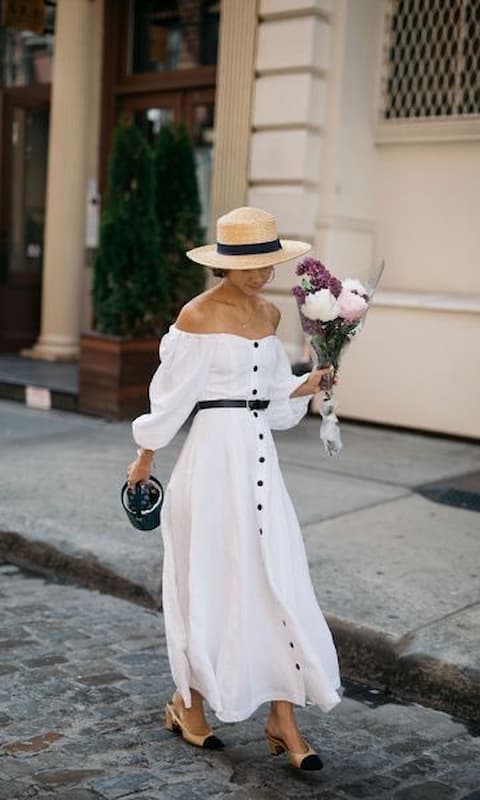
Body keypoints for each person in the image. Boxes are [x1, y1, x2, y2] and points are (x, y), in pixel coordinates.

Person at [127, 206, 342, 771]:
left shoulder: (270, 314)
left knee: (277, 580)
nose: (262, 274)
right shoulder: (197, 315)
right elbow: (170, 399)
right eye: (250, 264)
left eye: (269, 262)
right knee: (209, 580)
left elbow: (270, 399)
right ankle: (187, 702)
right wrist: (145, 459)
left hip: (259, 461)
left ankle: (283, 717)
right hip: (211, 459)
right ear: (224, 265)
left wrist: (309, 384)